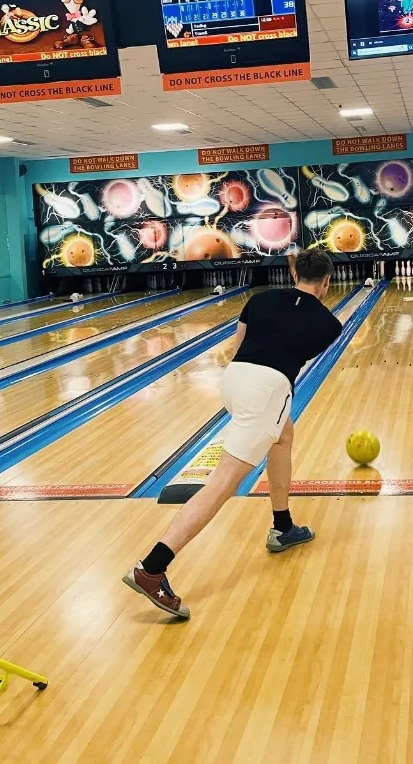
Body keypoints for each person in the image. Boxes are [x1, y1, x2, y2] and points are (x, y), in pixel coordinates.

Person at [123, 249, 343, 619]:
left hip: (234, 380)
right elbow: (293, 353)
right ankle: (152, 569)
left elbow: (239, 346)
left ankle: (283, 526)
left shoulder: (258, 299)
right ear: (326, 281)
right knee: (221, 485)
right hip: (268, 390)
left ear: (294, 273)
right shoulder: (330, 324)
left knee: (283, 436)